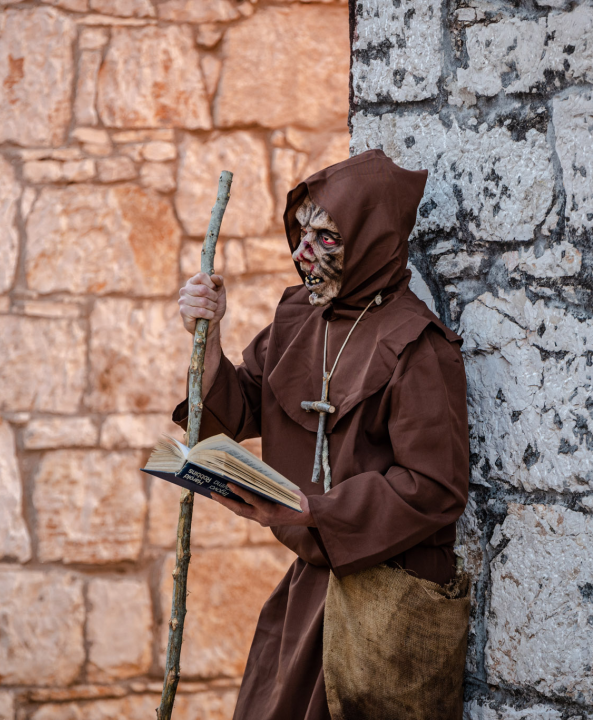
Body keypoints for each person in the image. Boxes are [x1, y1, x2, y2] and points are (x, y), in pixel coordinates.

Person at [174, 149, 470, 720]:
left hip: (385, 605)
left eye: (326, 239)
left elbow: (435, 487)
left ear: (372, 243)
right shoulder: (299, 317)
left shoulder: (420, 347)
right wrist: (206, 338)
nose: (302, 254)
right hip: (308, 594)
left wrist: (315, 510)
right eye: (301, 234)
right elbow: (240, 408)